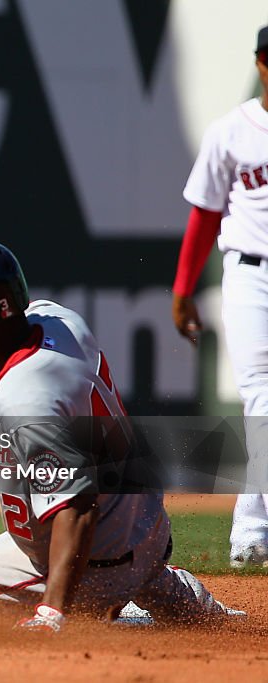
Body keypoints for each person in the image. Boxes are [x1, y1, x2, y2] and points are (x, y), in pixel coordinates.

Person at [0, 239, 243, 631]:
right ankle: (171, 593)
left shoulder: (24, 398)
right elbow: (5, 323)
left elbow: (77, 508)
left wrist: (53, 613)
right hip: (147, 528)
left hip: (94, 561)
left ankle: (104, 609)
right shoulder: (63, 323)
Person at [171, 24, 268, 568]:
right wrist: (184, 289)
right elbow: (204, 215)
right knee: (261, 398)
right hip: (251, 274)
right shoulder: (232, 131)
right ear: (260, 62)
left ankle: (250, 533)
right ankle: (251, 535)